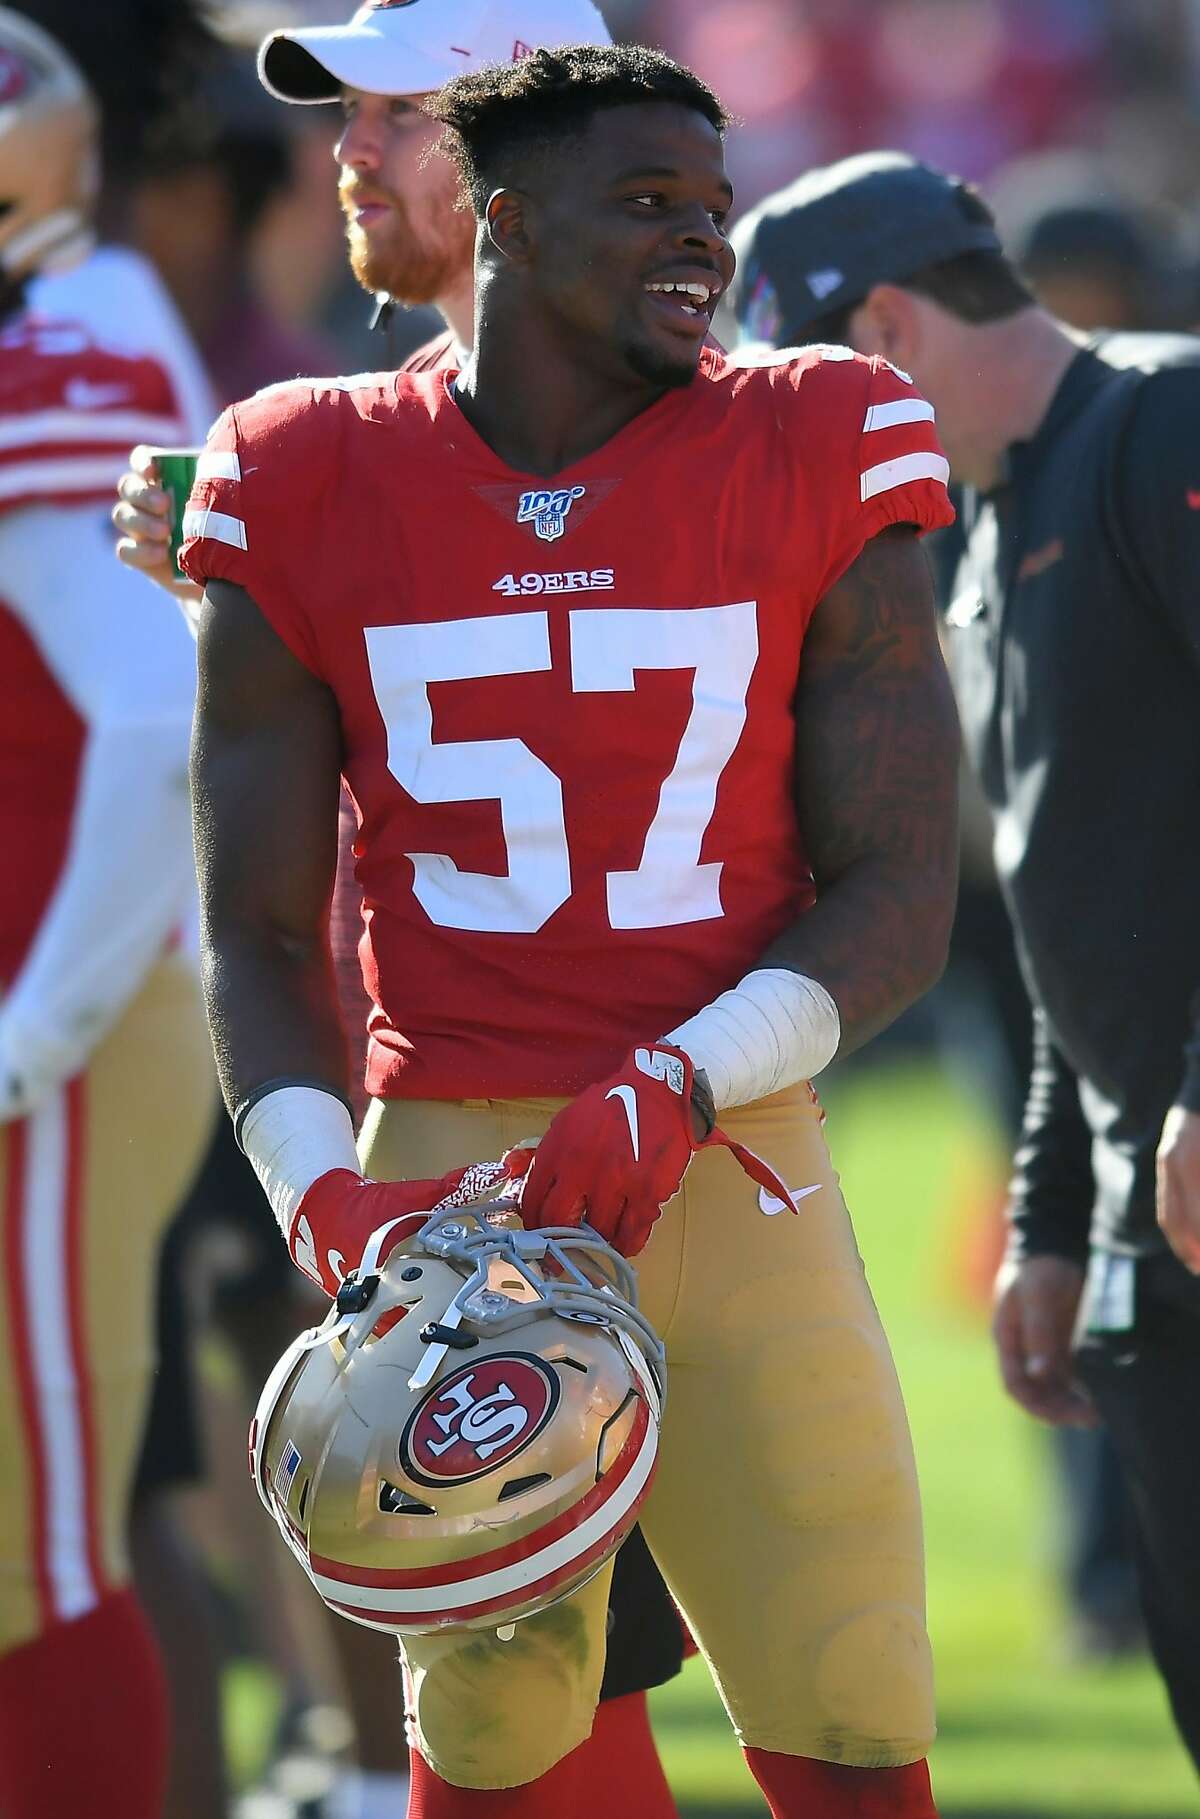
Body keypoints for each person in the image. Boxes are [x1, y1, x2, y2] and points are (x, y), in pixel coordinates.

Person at [179, 41, 960, 1819]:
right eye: (648, 204)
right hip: (444, 1182)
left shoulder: (816, 427)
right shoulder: (300, 465)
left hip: (726, 1155)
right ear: (508, 224)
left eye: (713, 203)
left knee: (848, 1690)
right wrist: (323, 1190)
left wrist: (674, 1081)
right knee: (501, 1721)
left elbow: (903, 890)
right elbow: (261, 933)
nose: (702, 240)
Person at [116, 10, 693, 1818]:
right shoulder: (333, 443)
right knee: (507, 1680)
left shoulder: (713, 432)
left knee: (779, 1686)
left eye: (392, 112)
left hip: (663, 1150)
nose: (338, 151)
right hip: (416, 1114)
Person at [728, 149, 1200, 1768]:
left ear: (881, 334)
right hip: (1158, 1219)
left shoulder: (1166, 419)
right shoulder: (988, 529)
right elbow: (1080, 914)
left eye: (798, 391)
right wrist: (1056, 1218)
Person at [0, 10, 215, 1816]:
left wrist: (32, 1033)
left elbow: (157, 722)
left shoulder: (74, 340)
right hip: (49, 996)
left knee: (38, 1548)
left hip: (57, 1005)